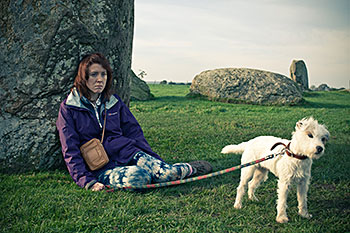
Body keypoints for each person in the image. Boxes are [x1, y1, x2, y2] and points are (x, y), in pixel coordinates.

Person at [56, 53, 212, 191]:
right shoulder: (69, 108)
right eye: (93, 74)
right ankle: (150, 174)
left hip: (128, 152)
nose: (99, 79)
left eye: (103, 74)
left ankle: (191, 168)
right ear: (84, 77)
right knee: (139, 178)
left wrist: (153, 159)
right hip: (101, 166)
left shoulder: (113, 102)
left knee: (167, 174)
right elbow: (70, 149)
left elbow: (134, 132)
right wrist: (87, 181)